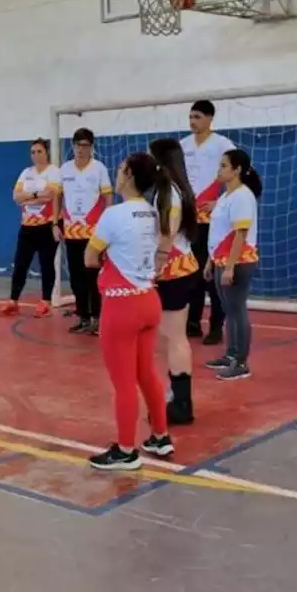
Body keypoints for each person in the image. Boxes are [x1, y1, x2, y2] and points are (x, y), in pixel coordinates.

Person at [84, 152, 174, 470]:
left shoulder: (115, 215)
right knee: (146, 373)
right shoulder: (152, 213)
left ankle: (125, 450)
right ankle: (161, 437)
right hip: (149, 300)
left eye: (121, 168)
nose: (117, 172)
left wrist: (106, 257)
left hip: (122, 306)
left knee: (123, 382)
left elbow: (89, 258)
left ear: (129, 175)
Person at [148, 138, 199, 424]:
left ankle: (181, 404)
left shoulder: (168, 193)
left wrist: (155, 266)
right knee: (174, 337)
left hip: (174, 269)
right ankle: (176, 397)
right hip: (182, 266)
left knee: (175, 337)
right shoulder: (178, 189)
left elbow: (166, 235)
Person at [204, 148, 261, 381]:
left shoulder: (242, 196)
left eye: (224, 166)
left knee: (237, 310)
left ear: (237, 170)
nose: (219, 170)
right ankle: (230, 354)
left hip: (237, 261)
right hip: (220, 259)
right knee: (229, 310)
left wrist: (229, 266)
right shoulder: (225, 196)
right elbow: (217, 233)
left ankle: (241, 362)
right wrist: (211, 261)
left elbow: (240, 234)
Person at [180, 100, 234, 344]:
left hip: (213, 222)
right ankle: (192, 322)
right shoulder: (182, 145)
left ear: (210, 119)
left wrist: (220, 203)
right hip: (188, 220)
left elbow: (238, 176)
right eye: (191, 116)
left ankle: (215, 326)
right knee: (191, 272)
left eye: (198, 117)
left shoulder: (222, 145)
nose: (193, 121)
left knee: (211, 275)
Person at [0, 138, 60, 318]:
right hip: (28, 225)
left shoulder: (54, 172)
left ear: (46, 152)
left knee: (46, 263)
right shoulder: (26, 173)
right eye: (33, 152)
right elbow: (16, 197)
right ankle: (13, 301)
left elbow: (50, 197)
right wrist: (34, 195)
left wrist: (29, 198)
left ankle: (46, 302)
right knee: (20, 263)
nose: (35, 155)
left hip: (47, 223)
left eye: (39, 151)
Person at [58, 127, 112, 334]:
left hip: (94, 233)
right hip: (71, 232)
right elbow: (58, 197)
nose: (80, 149)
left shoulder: (99, 168)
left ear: (91, 147)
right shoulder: (64, 169)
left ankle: (98, 318)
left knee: (93, 277)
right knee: (76, 277)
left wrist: (107, 223)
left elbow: (107, 196)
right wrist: (56, 223)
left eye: (85, 145)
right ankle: (83, 316)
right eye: (77, 145)